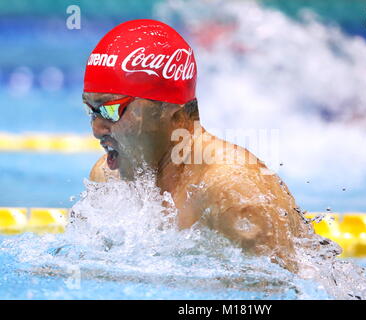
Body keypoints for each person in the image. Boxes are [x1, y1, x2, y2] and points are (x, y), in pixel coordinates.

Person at [83, 19, 318, 273]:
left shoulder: (233, 194)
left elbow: (275, 297)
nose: (97, 129)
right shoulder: (108, 179)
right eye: (91, 109)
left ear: (171, 111)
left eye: (110, 110)